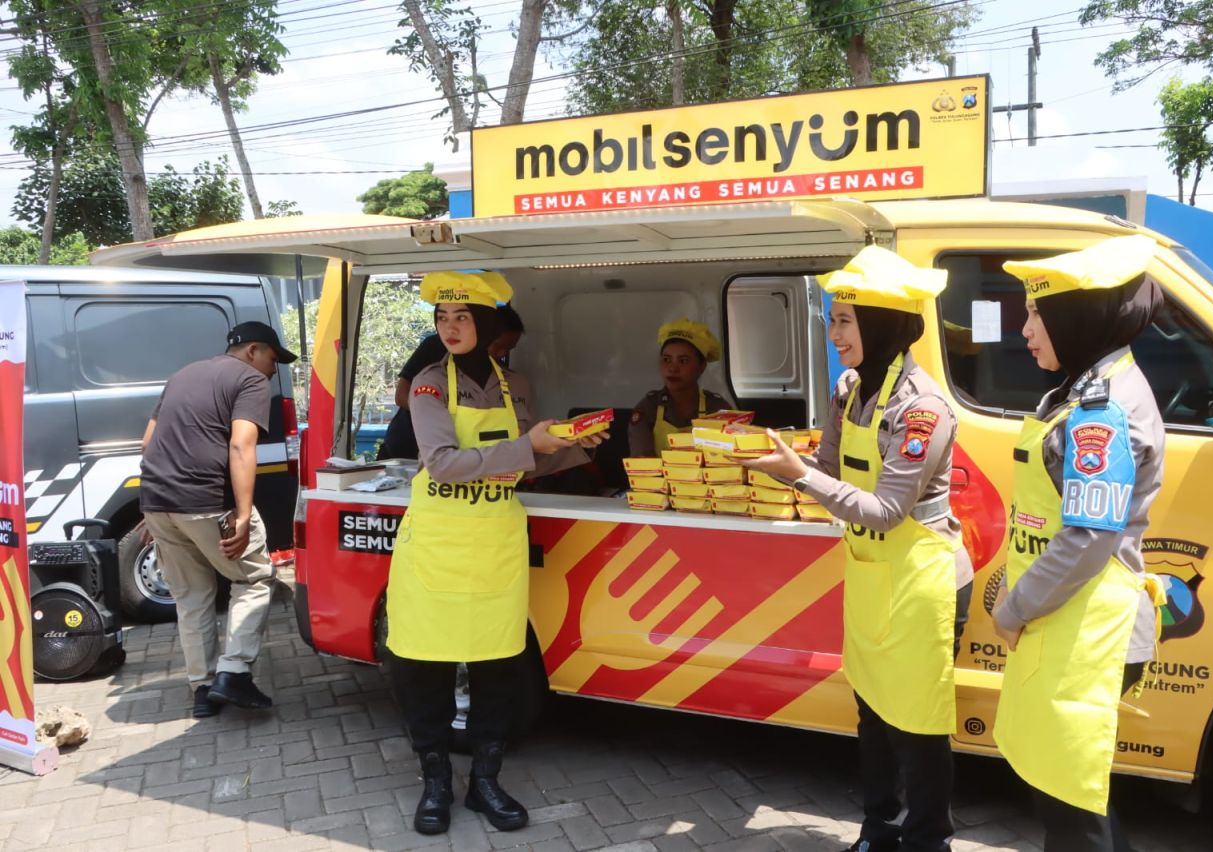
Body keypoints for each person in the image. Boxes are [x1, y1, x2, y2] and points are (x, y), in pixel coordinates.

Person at [741, 246, 973, 852]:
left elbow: (888, 508)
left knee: (918, 725)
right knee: (872, 713)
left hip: (924, 579)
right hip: (874, 574)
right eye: (832, 317)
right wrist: (761, 451)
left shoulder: (923, 409)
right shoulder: (851, 390)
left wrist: (797, 476)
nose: (832, 331)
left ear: (882, 323)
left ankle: (928, 840)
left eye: (844, 319)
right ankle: (879, 828)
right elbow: (825, 468)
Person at [386, 271, 603, 836]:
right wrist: (529, 445)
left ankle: (485, 781)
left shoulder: (517, 386)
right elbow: (443, 463)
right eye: (443, 318)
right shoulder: (430, 385)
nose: (451, 328)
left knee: (497, 669)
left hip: (494, 544)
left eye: (462, 318)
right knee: (425, 669)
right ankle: (435, 780)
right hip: (437, 544)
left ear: (486, 325)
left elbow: (528, 460)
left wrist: (569, 445)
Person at [992, 235, 1167, 852]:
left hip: (1087, 629)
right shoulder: (1082, 387)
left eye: (1037, 313)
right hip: (1066, 621)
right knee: (1069, 796)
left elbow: (1090, 535)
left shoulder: (1102, 408)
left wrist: (1013, 609)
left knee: (1073, 809)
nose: (1026, 327)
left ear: (1076, 317)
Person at [140, 320, 296, 719]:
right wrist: (243, 515)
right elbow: (242, 446)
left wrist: (157, 507)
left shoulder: (183, 374)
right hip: (207, 500)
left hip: (157, 499)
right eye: (273, 359)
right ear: (252, 351)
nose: (273, 370)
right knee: (256, 578)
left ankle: (202, 689)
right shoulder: (249, 380)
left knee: (191, 597)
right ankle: (235, 672)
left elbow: (148, 442)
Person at [378, 305, 525, 460]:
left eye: (508, 349)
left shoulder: (502, 374)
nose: (501, 354)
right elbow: (401, 395)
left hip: (463, 456)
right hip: (408, 446)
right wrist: (439, 416)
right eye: (497, 347)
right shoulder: (436, 346)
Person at [628, 318, 732, 457]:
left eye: (683, 361)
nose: (672, 368)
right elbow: (641, 460)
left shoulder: (717, 408)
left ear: (701, 366)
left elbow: (731, 458)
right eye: (667, 359)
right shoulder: (648, 407)